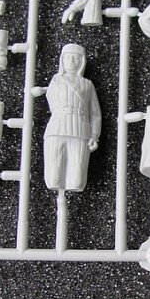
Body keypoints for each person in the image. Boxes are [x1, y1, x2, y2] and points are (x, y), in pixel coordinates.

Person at [42, 44, 102, 191]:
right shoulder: (55, 81)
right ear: (62, 60)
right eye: (68, 57)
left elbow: (95, 113)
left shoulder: (87, 84)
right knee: (54, 179)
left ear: (81, 61)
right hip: (56, 129)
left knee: (77, 181)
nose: (71, 61)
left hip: (80, 132)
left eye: (76, 58)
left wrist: (94, 135)